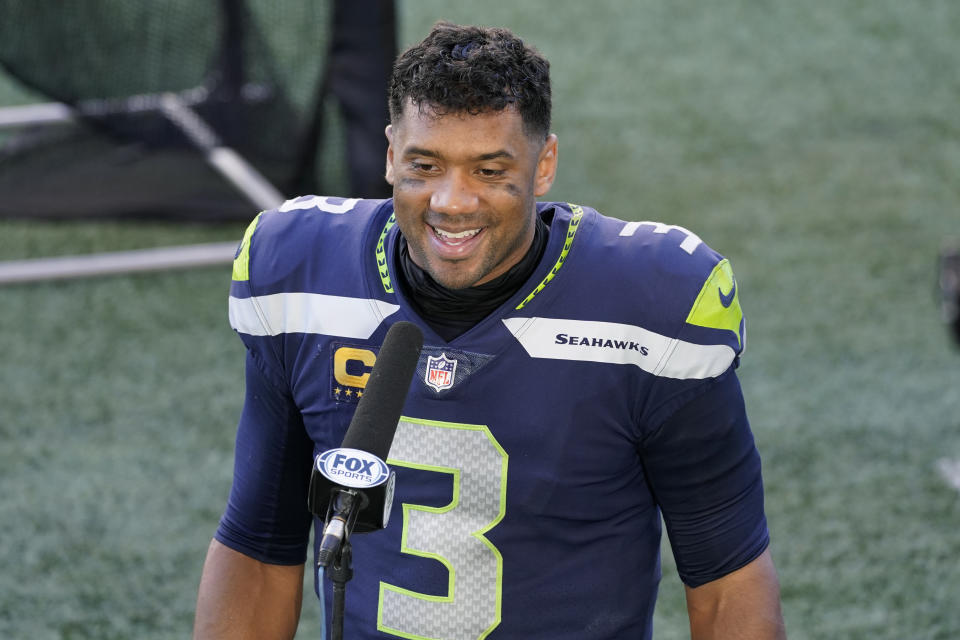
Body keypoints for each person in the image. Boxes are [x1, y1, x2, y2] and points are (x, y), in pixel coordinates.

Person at [194, 21, 786, 640]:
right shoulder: (298, 270)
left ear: (544, 163)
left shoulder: (654, 305)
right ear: (392, 153)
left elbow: (727, 579)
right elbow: (260, 547)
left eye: (488, 170)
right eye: (425, 164)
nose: (452, 202)